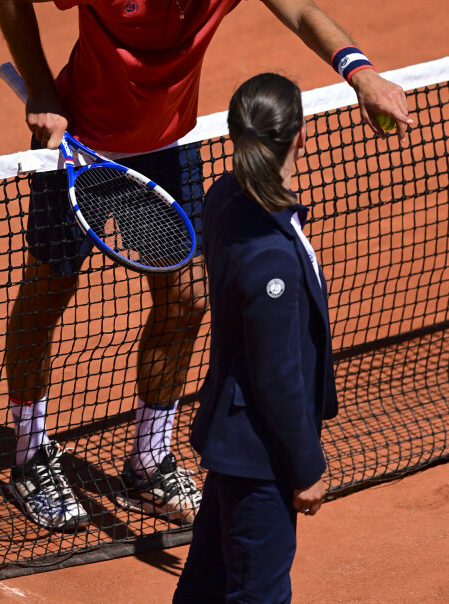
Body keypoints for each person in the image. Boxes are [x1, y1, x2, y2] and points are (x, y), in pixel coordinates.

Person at [0, 0, 412, 533]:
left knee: (186, 298)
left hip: (165, 147)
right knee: (47, 295)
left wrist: (359, 73)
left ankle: (148, 460)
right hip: (79, 149)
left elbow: (301, 9)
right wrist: (41, 89)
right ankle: (32, 452)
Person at [172, 72, 337, 603]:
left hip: (231, 431)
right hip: (258, 454)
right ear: (299, 136)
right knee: (258, 594)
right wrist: (307, 467)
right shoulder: (270, 254)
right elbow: (276, 377)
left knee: (206, 585)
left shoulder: (225, 196)